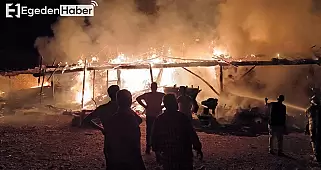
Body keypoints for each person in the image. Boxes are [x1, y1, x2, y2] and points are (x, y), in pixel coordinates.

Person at [152, 94, 203, 170]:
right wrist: (198, 147)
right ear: (175, 103)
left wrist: (157, 152)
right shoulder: (182, 118)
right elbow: (191, 134)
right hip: (184, 156)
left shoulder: (159, 119)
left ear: (165, 104)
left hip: (168, 156)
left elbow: (154, 137)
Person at [82, 85, 120, 167]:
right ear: (118, 94)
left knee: (110, 163)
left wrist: (101, 129)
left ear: (109, 95)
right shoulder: (122, 108)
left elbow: (86, 120)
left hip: (109, 139)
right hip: (123, 141)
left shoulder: (103, 108)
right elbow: (138, 120)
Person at [107, 89, 145, 170]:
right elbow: (139, 120)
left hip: (118, 155)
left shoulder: (114, 118)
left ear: (117, 101)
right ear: (130, 101)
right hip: (131, 154)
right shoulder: (131, 116)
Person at [136, 82, 165, 154]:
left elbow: (138, 98)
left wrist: (145, 106)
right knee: (158, 130)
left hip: (150, 114)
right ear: (156, 87)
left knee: (149, 131)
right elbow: (168, 98)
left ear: (151, 87)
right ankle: (158, 147)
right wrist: (162, 106)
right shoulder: (160, 95)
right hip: (158, 115)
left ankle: (148, 147)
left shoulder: (147, 95)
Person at [306, 95, 321, 162]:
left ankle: (316, 156)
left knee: (314, 141)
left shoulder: (309, 109)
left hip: (313, 127)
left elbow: (308, 117)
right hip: (317, 127)